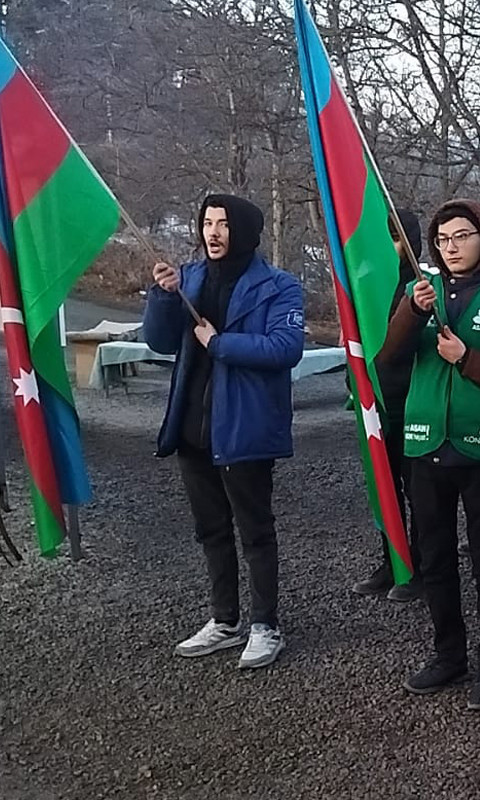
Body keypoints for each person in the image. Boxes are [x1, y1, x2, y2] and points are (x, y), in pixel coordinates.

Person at [382, 199, 480, 711]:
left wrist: (467, 358)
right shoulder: (418, 294)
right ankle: (448, 653)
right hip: (425, 443)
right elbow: (387, 361)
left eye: (462, 236)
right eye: (443, 238)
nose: (452, 247)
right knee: (436, 557)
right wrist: (412, 312)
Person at [145, 194, 305, 670]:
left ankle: (265, 625)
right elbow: (157, 339)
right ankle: (224, 619)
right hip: (194, 425)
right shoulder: (190, 277)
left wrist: (220, 343)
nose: (213, 232)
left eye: (224, 224)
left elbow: (285, 347)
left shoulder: (279, 286)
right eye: (207, 223)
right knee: (211, 529)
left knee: (255, 530)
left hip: (245, 426)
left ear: (246, 231)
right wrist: (162, 295)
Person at [353, 209, 426, 602]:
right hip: (376, 402)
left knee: (418, 489)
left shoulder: (421, 287)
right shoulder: (365, 288)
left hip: (413, 403)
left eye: (396, 240)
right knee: (385, 486)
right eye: (384, 239)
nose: (389, 248)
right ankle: (392, 561)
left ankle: (423, 566)